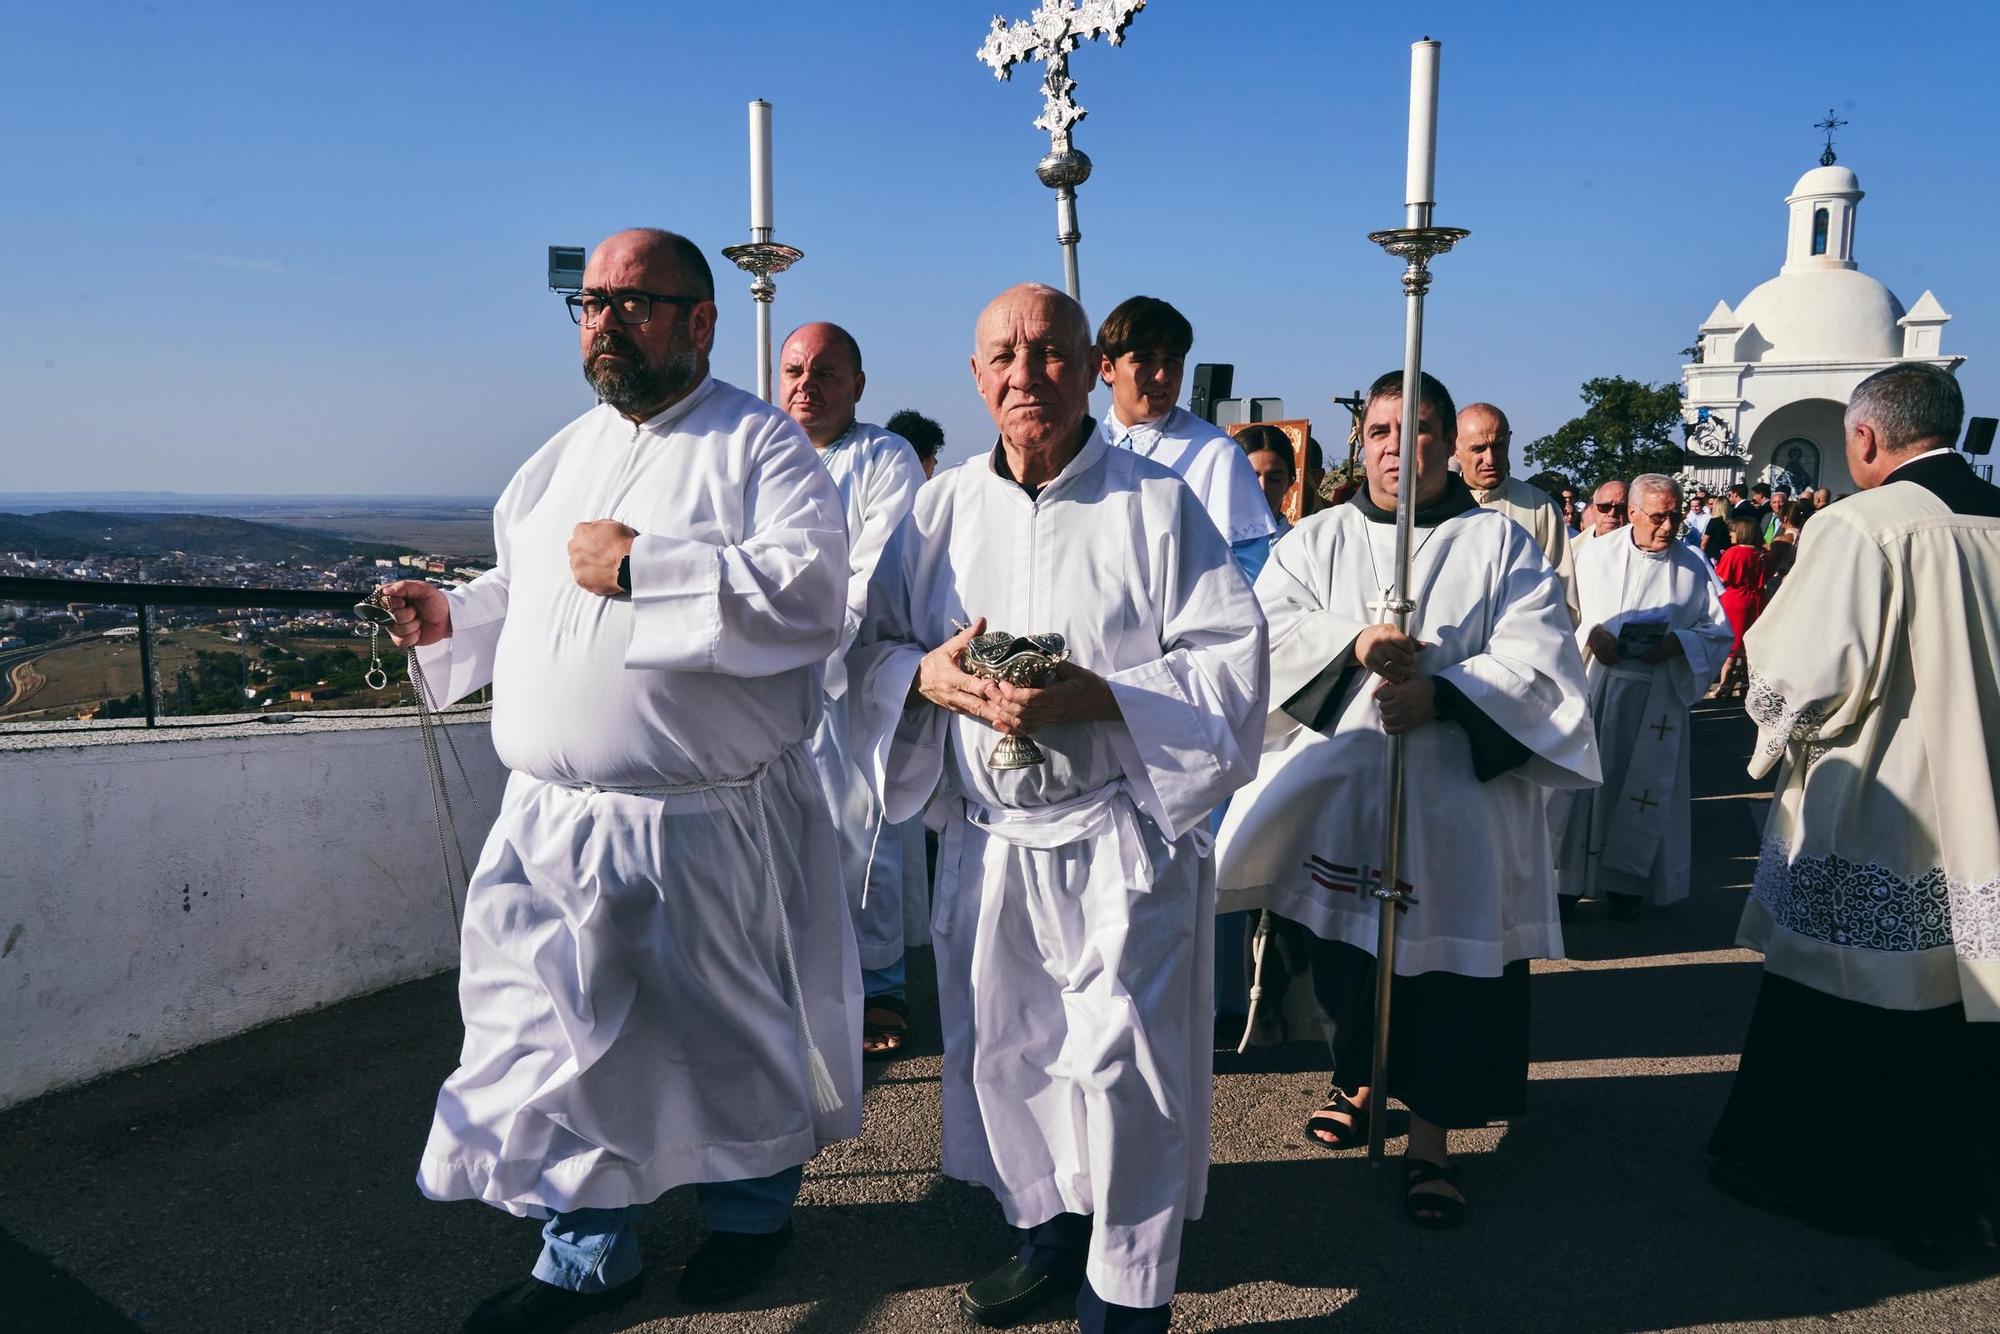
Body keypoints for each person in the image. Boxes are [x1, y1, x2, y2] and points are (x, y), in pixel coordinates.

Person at [379, 229, 860, 1334]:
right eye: (589, 301)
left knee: (731, 1038)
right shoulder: (555, 457)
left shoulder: (761, 447)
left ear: (699, 319)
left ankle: (750, 1216)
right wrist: (456, 614)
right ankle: (585, 1251)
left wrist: (647, 565)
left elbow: (808, 596)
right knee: (551, 1043)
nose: (602, 321)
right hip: (550, 824)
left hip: (705, 823)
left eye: (632, 302)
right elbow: (526, 588)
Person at [848, 282, 1267, 1332]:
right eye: (1002, 355)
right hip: (991, 846)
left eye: (1048, 352)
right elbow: (868, 650)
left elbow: (1230, 660)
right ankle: (1043, 1232)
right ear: (976, 376)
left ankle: (1127, 1295)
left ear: (1089, 370)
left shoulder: (1156, 503)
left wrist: (1101, 694)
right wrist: (927, 676)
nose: (1024, 373)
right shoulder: (937, 509)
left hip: (1117, 836)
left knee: (1126, 1067)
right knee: (1013, 1051)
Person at [1214, 369, 1599, 1228]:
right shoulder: (1316, 539)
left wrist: (1448, 696)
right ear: (1363, 444)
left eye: (1418, 429)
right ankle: (1358, 1082)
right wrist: (1351, 643)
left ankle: (1431, 1144)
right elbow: (1261, 635)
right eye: (1381, 431)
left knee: (1447, 977)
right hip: (1348, 804)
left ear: (1445, 441)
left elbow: (1542, 663)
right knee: (1351, 959)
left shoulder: (1498, 546)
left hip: (1455, 804)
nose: (1397, 447)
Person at [1710, 361, 2000, 1267]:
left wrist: (1767, 735)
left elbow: (1802, 677)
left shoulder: (1860, 526)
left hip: (1892, 806)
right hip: (1987, 798)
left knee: (1859, 996)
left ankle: (1855, 1188)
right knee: (1966, 998)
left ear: (1866, 440)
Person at [779, 322, 929, 1060]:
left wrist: (808, 651)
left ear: (858, 384)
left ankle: (883, 987)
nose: (807, 384)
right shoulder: (758, 455)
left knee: (860, 833)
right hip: (765, 684)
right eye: (794, 370)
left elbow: (871, 572)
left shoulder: (883, 457)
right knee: (775, 841)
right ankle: (791, 992)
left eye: (826, 372)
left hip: (852, 677)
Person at [1555, 475, 1732, 920]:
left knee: (1641, 789)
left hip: (1658, 697)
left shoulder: (1693, 565)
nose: (1669, 526)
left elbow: (1718, 632)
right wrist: (1592, 634)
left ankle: (1627, 885)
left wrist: (1680, 645)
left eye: (1675, 516)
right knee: (1584, 788)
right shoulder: (1592, 556)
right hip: (1599, 686)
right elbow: (1561, 615)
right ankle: (1567, 884)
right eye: (1658, 516)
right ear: (1632, 513)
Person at [1094, 295, 1277, 582]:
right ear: (1107, 368)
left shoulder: (1216, 454)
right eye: (1143, 360)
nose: (1161, 376)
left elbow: (1248, 572)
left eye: (1172, 361)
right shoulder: (1085, 445)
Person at [1455, 403, 1578, 620]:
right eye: (1478, 449)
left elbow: (1561, 592)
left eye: (1498, 446)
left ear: (1509, 440)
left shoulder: (1541, 508)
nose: (1490, 459)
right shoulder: (1435, 504)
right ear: (1454, 449)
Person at [1712, 517, 1765, 696]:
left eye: (1733, 531)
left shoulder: (1733, 553)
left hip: (1735, 600)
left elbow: (1720, 579)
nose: (1730, 534)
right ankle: (1744, 684)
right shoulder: (1760, 553)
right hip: (1756, 600)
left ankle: (1724, 685)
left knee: (1731, 648)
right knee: (1747, 645)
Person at [1235, 422, 1297, 534]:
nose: (1263, 488)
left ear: (1289, 482)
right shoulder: (1208, 540)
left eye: (1274, 479)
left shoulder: (1300, 544)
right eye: (1252, 478)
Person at [886, 408, 946, 480]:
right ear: (920, 458)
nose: (936, 462)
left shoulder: (877, 485)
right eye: (934, 454)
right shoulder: (918, 490)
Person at [1573, 479, 1629, 545]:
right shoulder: (1573, 549)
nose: (1612, 513)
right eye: (1604, 507)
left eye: (1620, 508)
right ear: (1593, 509)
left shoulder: (1640, 548)